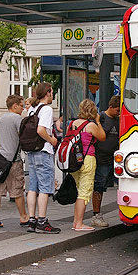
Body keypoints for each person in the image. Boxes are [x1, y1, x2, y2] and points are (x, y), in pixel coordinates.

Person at [0, 94, 30, 229]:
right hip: (14, 160)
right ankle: (23, 216)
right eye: (21, 105)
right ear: (15, 106)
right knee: (17, 189)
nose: (23, 108)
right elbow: (23, 137)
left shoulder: (1, 119)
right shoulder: (18, 119)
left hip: (0, 160)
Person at [24, 82, 60, 234]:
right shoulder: (46, 109)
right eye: (52, 92)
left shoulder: (32, 109)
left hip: (31, 152)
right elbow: (40, 130)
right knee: (45, 188)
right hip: (43, 151)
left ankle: (31, 220)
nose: (53, 95)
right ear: (47, 93)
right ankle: (42, 221)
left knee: (33, 187)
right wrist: (51, 139)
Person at [68, 99, 106, 231]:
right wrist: (97, 122)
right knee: (84, 193)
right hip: (87, 159)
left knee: (79, 191)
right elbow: (102, 137)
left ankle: (75, 222)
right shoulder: (90, 125)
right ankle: (79, 224)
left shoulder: (72, 124)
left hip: (74, 161)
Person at [92, 95, 120, 227]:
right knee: (99, 186)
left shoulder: (118, 119)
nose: (119, 113)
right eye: (117, 110)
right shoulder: (101, 118)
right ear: (111, 107)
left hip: (113, 157)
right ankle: (96, 214)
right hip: (101, 158)